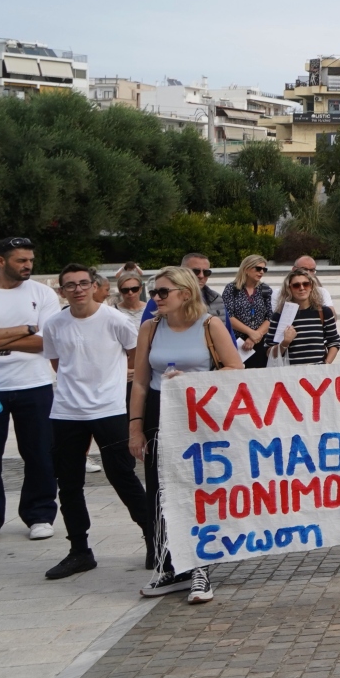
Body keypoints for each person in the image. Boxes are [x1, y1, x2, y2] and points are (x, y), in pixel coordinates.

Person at [130, 265, 244, 602]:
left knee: (198, 490)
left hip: (199, 416)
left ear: (185, 292)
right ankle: (170, 565)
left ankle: (200, 569)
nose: (156, 298)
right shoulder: (150, 328)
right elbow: (138, 381)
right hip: (158, 412)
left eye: (163, 292)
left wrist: (193, 381)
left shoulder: (210, 325)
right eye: (154, 292)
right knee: (160, 491)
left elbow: (235, 368)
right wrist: (135, 427)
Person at [39, 264, 154, 579]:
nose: (77, 289)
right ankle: (79, 551)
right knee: (69, 483)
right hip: (66, 412)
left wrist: (114, 379)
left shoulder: (115, 320)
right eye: (70, 285)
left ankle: (154, 539)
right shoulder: (54, 324)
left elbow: (135, 356)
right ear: (62, 291)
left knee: (122, 475)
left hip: (109, 408)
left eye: (83, 283)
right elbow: (56, 362)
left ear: (94, 286)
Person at [0, 237, 62, 545]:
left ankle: (40, 515)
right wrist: (26, 329)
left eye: (30, 260)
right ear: (0, 261)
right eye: (21, 260)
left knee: (39, 453)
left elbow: (48, 340)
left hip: (34, 384)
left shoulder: (42, 292)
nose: (28, 266)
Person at [272, 267, 340, 366]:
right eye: (296, 285)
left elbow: (334, 342)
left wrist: (326, 364)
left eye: (306, 284)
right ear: (289, 288)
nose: (302, 288)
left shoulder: (324, 312)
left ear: (311, 286)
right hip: (290, 375)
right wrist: (285, 342)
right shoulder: (280, 315)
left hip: (318, 374)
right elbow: (269, 352)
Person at [221, 255, 275, 368]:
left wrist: (254, 337)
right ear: (246, 269)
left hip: (259, 341)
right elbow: (228, 316)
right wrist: (251, 333)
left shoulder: (265, 289)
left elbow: (269, 317)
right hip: (236, 340)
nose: (261, 272)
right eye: (258, 268)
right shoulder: (231, 289)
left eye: (264, 269)